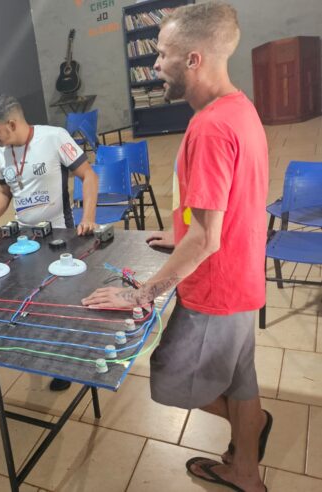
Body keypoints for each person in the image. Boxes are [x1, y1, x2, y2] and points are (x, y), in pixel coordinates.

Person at [82, 3, 269, 491]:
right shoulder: (240, 108)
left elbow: (208, 238)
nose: (154, 65)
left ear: (193, 60)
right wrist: (183, 233)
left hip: (217, 289)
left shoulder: (208, 127)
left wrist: (144, 293)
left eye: (162, 55)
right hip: (245, 277)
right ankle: (246, 471)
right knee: (241, 380)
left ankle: (252, 433)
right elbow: (222, 212)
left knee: (166, 379)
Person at [0, 94, 99, 391]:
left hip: (60, 234)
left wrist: (89, 217)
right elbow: (5, 193)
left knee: (63, 298)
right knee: (35, 297)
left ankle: (68, 362)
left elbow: (88, 176)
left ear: (12, 123)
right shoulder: (4, 151)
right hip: (25, 239)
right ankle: (45, 351)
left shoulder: (55, 137)